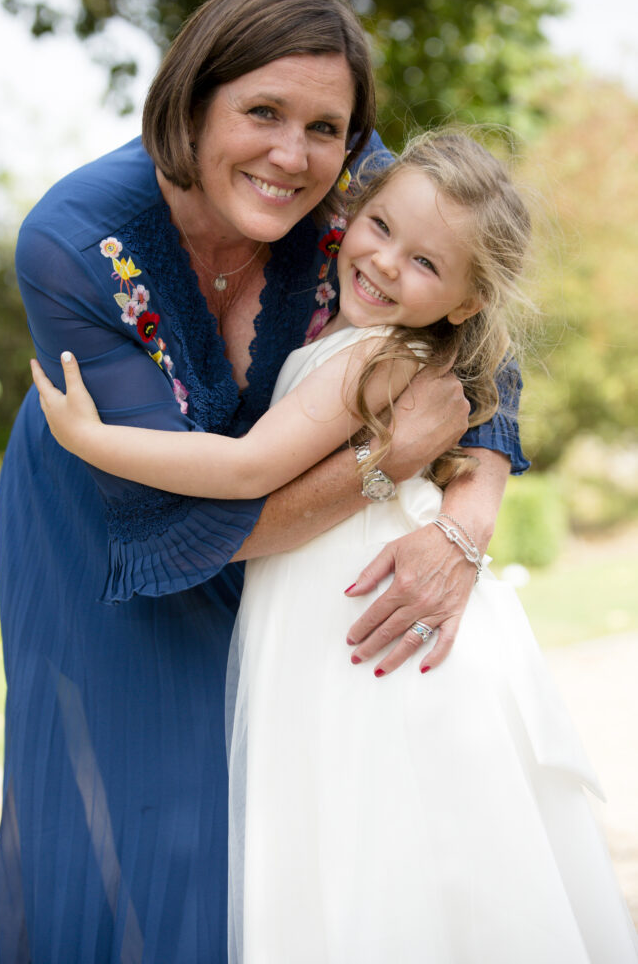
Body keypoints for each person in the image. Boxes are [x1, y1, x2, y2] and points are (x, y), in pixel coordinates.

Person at [0, 0, 528, 964]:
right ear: (192, 98)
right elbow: (197, 518)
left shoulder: (358, 183)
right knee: (162, 820)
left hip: (296, 517)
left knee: (308, 812)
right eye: (260, 112)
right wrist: (383, 459)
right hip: (116, 507)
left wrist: (466, 517)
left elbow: (478, 324)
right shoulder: (72, 243)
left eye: (325, 128)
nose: (294, 155)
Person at [32, 130, 638, 963]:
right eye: (381, 228)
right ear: (356, 209)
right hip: (353, 585)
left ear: (466, 304)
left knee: (369, 813)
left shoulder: (367, 358)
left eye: (426, 264)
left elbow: (246, 468)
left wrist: (93, 442)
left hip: (353, 610)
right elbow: (351, 470)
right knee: (403, 819)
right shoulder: (382, 351)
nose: (387, 263)